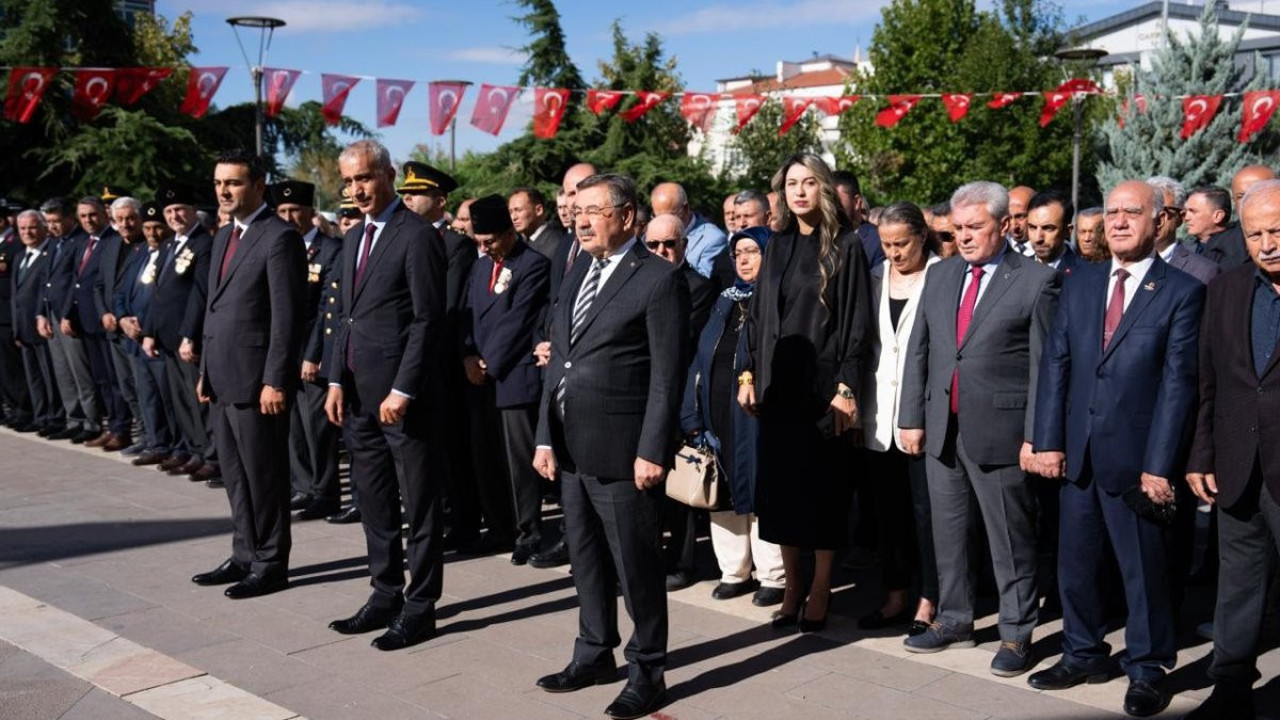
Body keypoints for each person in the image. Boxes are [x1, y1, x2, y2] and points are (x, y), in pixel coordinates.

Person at [1030, 180, 1204, 718]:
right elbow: (1056, 363)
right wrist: (1049, 440)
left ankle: (1149, 668)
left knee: (1143, 571)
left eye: (1133, 212)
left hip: (1138, 462)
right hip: (1077, 453)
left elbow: (1179, 385)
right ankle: (1082, 651)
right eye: (1113, 213)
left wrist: (1159, 464)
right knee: (1075, 565)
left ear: (1159, 222)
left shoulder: (1181, 290)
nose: (1120, 221)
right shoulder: (1078, 282)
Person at [532, 173, 689, 720]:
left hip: (625, 452)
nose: (580, 218)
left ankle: (648, 670)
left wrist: (652, 449)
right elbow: (559, 362)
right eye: (578, 209)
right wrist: (544, 435)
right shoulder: (578, 272)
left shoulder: (657, 279)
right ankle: (594, 652)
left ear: (626, 216)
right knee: (586, 562)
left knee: (636, 568)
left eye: (594, 209)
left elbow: (667, 376)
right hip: (571, 447)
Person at [898, 181, 1061, 676]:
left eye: (975, 228)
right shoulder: (941, 274)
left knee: (1009, 539)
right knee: (948, 532)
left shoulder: (1035, 281)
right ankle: (954, 619)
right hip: (941, 428)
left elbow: (1045, 366)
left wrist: (1039, 434)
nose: (964, 237)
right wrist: (911, 417)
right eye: (957, 229)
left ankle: (1015, 632)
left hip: (1003, 433)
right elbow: (920, 350)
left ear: (1004, 225)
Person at [738, 153, 873, 634]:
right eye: (791, 183)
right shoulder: (775, 244)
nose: (799, 191)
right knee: (779, 496)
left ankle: (820, 588)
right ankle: (791, 587)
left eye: (808, 182)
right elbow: (756, 317)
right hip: (777, 388)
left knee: (821, 494)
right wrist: (748, 373)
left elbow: (858, 324)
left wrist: (846, 387)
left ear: (823, 189)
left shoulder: (847, 247)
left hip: (821, 392)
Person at [324, 140, 449, 651]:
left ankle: (421, 607)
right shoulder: (354, 238)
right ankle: (384, 592)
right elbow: (344, 318)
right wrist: (335, 379)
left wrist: (403, 387)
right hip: (357, 395)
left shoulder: (416, 236)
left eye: (365, 179)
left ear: (388, 175)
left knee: (418, 505)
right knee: (373, 499)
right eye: (349, 182)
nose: (357, 190)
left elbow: (427, 320)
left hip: (403, 399)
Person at [1182, 178, 1280, 720]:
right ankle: (1232, 686)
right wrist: (1201, 455)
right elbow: (1209, 381)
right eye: (1256, 233)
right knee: (1238, 583)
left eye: (1276, 231)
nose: (1267, 243)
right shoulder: (1226, 288)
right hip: (1238, 464)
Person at [190, 149, 307, 600]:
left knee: (265, 477)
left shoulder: (279, 238)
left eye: (233, 183)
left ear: (258, 186)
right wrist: (204, 370)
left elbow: (287, 317)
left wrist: (276, 379)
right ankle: (244, 554)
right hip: (222, 375)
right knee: (236, 476)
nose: (223, 191)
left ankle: (271, 562)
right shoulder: (222, 236)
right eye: (219, 183)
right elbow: (212, 309)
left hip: (258, 381)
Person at [681, 226, 785, 607]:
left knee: (760, 488)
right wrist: (690, 412)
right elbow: (701, 355)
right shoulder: (725, 299)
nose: (743, 259)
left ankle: (773, 575)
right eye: (738, 252)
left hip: (756, 412)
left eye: (752, 252)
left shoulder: (777, 298)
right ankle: (734, 571)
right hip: (717, 409)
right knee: (722, 490)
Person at [858, 202, 941, 636]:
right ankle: (894, 595)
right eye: (886, 244)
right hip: (878, 418)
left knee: (926, 515)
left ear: (922, 236)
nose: (893, 252)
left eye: (902, 243)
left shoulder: (942, 277)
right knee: (887, 516)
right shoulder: (874, 279)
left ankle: (929, 599)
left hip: (924, 419)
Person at [460, 195, 551, 565]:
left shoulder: (533, 264)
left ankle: (528, 532)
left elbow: (518, 320)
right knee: (486, 459)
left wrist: (487, 365)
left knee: (518, 464)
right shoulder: (480, 267)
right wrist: (467, 355)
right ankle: (498, 527)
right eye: (480, 241)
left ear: (509, 231)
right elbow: (467, 314)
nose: (486, 248)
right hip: (478, 375)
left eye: (491, 241)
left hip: (512, 376)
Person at [528, 161, 599, 570]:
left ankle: (592, 548)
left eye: (579, 193)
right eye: (567, 193)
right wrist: (546, 341)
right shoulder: (565, 249)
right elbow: (556, 306)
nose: (569, 202)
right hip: (559, 370)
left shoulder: (604, 250)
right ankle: (574, 540)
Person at [644, 212, 717, 591]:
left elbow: (678, 340)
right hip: (642, 396)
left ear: (684, 246)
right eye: (653, 244)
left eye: (669, 244)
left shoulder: (699, 286)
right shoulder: (637, 280)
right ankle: (649, 556)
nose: (661, 251)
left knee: (680, 487)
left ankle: (683, 561)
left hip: (681, 396)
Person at [271, 180, 344, 521]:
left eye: (294, 210)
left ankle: (326, 492)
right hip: (284, 352)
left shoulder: (329, 250)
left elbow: (325, 309)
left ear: (311, 213)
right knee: (294, 427)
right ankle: (304, 486)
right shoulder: (279, 247)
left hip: (312, 354)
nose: (288, 217)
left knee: (318, 427)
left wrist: (312, 354)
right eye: (282, 211)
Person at [143, 185, 219, 485]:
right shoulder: (168, 245)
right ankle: (194, 450)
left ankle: (212, 457)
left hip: (188, 338)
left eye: (180, 210)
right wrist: (149, 332)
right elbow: (158, 292)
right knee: (180, 401)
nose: (175, 215)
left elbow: (200, 294)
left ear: (192, 211)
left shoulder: (203, 243)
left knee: (198, 401)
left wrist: (190, 335)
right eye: (169, 212)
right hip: (166, 336)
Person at [62, 197, 128, 449]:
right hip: (87, 322)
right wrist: (68, 314)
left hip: (106, 322)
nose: (88, 220)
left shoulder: (113, 240)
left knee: (115, 380)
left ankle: (121, 428)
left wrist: (108, 312)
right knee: (101, 379)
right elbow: (76, 282)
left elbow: (110, 282)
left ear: (104, 213)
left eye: (93, 215)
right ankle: (112, 425)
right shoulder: (82, 243)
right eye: (83, 216)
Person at [115, 201, 175, 467]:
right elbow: (120, 291)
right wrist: (123, 318)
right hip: (135, 338)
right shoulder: (139, 253)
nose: (152, 233)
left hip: (157, 338)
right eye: (148, 227)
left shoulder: (169, 254)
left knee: (166, 397)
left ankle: (176, 446)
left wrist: (148, 326)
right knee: (146, 395)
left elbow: (165, 300)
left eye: (157, 227)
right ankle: (155, 442)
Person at [38, 197, 96, 441]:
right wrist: (41, 312)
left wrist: (67, 314)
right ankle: (74, 418)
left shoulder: (80, 242)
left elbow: (76, 281)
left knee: (79, 371)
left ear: (69, 218)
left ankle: (92, 422)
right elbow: (46, 280)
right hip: (52, 314)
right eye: (49, 222)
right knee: (63, 371)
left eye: (57, 221)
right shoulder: (53, 244)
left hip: (69, 317)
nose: (52, 226)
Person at [10, 210, 61, 435]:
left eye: (32, 227)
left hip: (42, 326)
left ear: (43, 227)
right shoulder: (21, 256)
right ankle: (41, 416)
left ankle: (56, 418)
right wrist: (16, 328)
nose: (27, 233)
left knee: (50, 376)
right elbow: (15, 295)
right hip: (23, 326)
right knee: (34, 378)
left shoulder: (50, 254)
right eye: (22, 229)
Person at [101, 197, 145, 452]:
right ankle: (143, 434)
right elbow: (100, 284)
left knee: (143, 388)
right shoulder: (111, 246)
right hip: (114, 329)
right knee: (126, 386)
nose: (126, 224)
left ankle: (152, 437)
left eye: (130, 218)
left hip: (136, 329)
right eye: (120, 220)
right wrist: (105, 313)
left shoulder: (146, 246)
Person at [1147, 176, 1220, 286]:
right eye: (1147, 209)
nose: (1154, 217)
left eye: (1163, 211)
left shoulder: (1203, 271)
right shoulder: (1121, 263)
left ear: (1180, 218)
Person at [1202, 165, 1277, 268]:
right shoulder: (1216, 248)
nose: (1249, 201)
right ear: (1234, 201)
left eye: (1258, 193)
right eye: (1241, 197)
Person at [650, 181, 727, 280]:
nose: (663, 223)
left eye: (669, 217)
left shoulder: (712, 240)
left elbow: (700, 286)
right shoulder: (649, 238)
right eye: (657, 217)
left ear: (685, 208)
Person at [0, 201, 33, 430]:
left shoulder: (15, 244)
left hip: (8, 315)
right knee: (4, 368)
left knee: (14, 367)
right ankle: (13, 408)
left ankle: (23, 409)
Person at [832, 170, 886, 266]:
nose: (831, 208)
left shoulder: (877, 241)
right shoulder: (822, 238)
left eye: (836, 202)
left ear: (857, 202)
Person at [1025, 190, 1079, 272]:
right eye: (1032, 227)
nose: (1038, 238)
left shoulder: (1088, 273)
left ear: (1068, 231)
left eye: (1048, 228)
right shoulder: (1015, 271)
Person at [510, 186, 566, 259]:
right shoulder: (516, 245)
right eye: (510, 212)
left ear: (538, 210)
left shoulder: (556, 244)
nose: (513, 217)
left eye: (519, 210)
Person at [1007, 185, 1036, 257]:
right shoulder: (996, 251)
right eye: (1009, 218)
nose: (1014, 226)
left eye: (1020, 217)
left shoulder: (1055, 251)